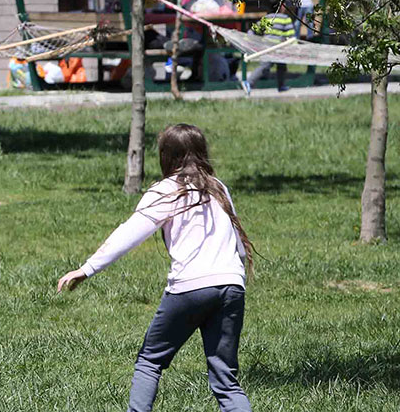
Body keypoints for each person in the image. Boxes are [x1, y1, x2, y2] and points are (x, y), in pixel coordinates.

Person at [56, 124, 255, 412]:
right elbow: (237, 242)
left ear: (167, 156)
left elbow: (129, 233)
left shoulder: (166, 190)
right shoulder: (218, 187)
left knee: (150, 361)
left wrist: (86, 269)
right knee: (226, 379)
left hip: (189, 288)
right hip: (232, 287)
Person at [244, 1, 296, 94]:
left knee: (269, 66)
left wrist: (250, 37)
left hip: (266, 47)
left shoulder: (267, 18)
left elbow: (255, 29)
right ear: (281, 7)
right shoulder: (285, 19)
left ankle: (281, 86)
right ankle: (249, 82)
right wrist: (294, 46)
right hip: (279, 48)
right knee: (274, 67)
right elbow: (290, 35)